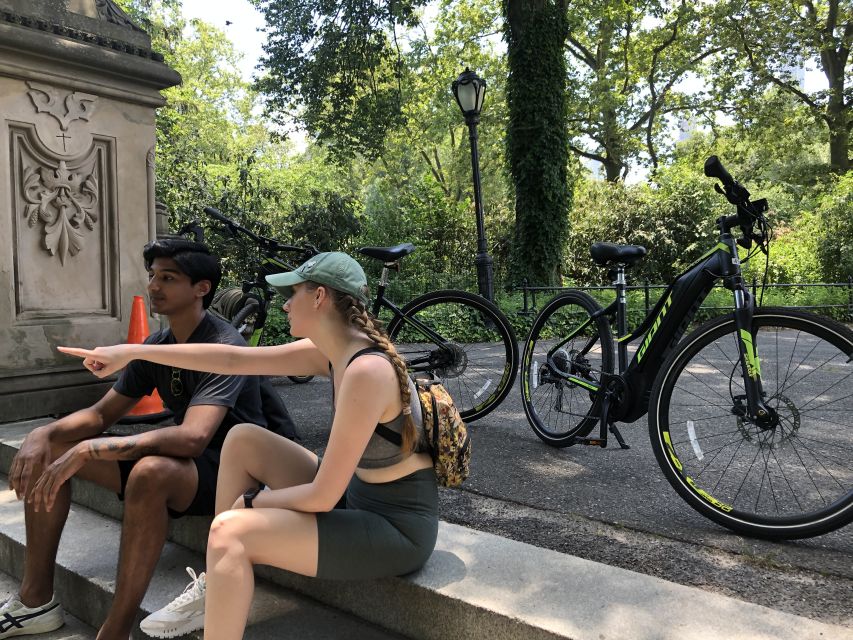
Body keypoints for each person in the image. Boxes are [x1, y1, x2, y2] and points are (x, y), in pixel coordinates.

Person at [59, 251, 440, 640]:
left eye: (293, 294)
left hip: (395, 530)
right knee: (243, 439)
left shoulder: (365, 370)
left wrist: (253, 503)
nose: (286, 305)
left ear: (320, 297)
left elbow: (323, 496)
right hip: (356, 498)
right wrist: (132, 351)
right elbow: (231, 359)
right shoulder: (335, 352)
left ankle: (224, 571)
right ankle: (218, 584)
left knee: (230, 531)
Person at [2, 239, 297, 640]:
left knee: (151, 471)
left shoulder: (225, 346)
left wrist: (94, 447)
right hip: (194, 467)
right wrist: (43, 433)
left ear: (202, 288)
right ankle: (36, 602)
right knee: (53, 449)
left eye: (168, 278)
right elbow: (102, 414)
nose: (154, 286)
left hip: (242, 474)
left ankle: (116, 630)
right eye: (153, 276)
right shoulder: (157, 346)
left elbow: (194, 438)